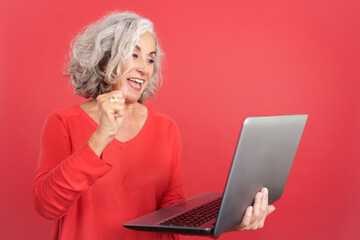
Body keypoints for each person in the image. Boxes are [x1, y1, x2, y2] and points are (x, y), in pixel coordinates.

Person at [33, 12, 275, 240]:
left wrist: (226, 222)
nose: (144, 68)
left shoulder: (165, 128)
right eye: (134, 54)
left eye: (150, 59)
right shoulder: (63, 122)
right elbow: (47, 205)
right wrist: (102, 135)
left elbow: (171, 219)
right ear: (106, 60)